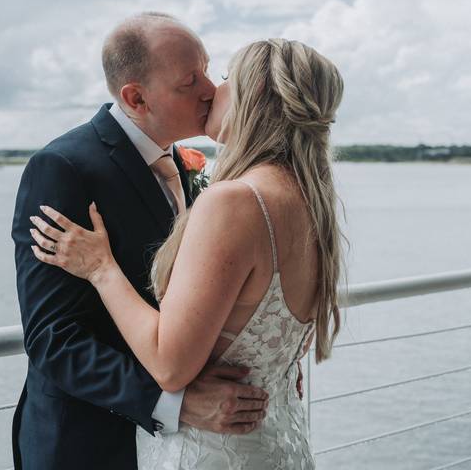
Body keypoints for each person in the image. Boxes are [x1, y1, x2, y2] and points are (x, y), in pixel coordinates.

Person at [30, 37, 345, 468]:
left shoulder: (235, 201)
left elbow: (170, 365)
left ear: (252, 96)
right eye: (194, 78)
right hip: (275, 443)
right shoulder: (311, 199)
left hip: (213, 452)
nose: (214, 89)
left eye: (225, 77)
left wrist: (101, 268)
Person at [10, 13, 271, 470]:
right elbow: (54, 338)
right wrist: (176, 403)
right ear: (136, 97)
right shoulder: (63, 168)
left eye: (208, 70)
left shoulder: (193, 167)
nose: (211, 89)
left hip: (181, 447)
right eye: (190, 81)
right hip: (87, 444)